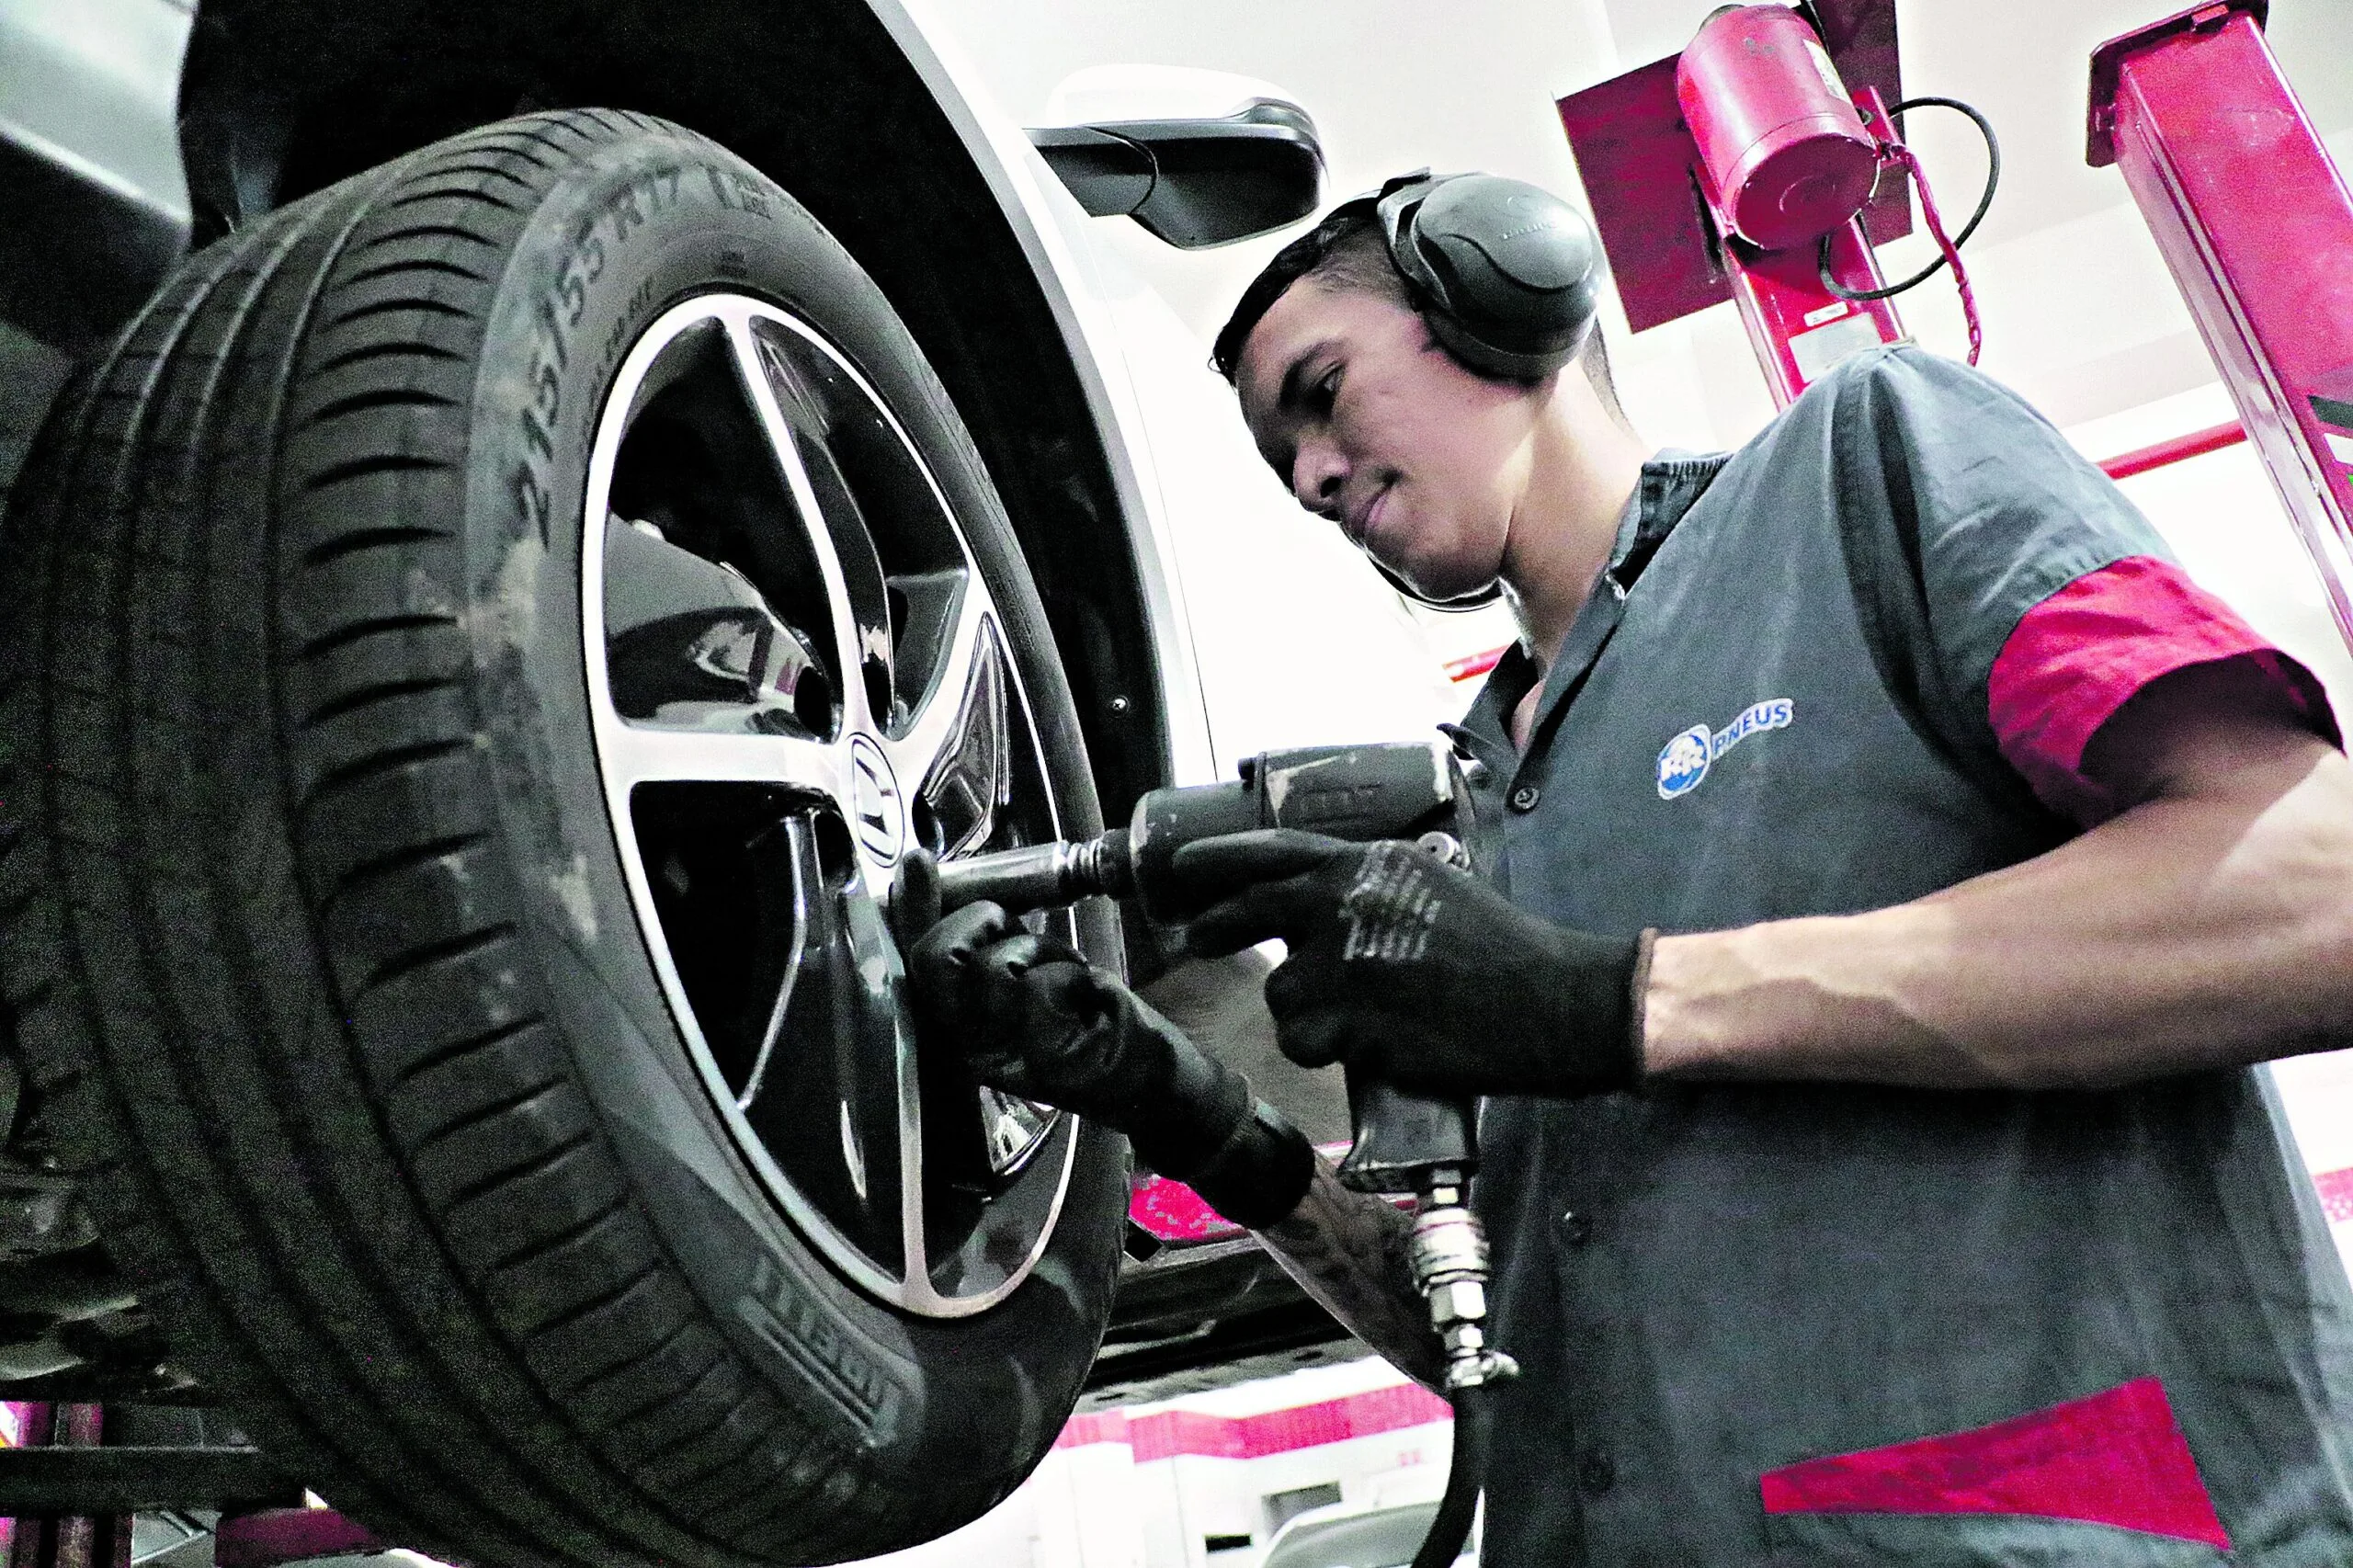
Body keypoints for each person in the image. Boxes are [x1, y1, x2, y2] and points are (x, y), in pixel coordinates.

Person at [908, 177, 2353, 1564]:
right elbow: (1492, 1334)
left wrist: (1622, 998)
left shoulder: (1868, 470)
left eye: (1323, 393)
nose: (1309, 476)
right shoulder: (1466, 800)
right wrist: (1202, 1119)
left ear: (1501, 291)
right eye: (1280, 459)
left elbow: (2316, 889)